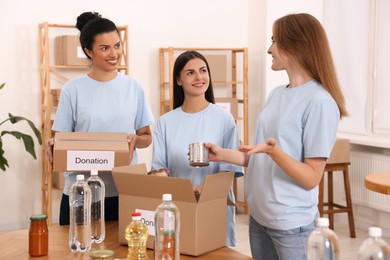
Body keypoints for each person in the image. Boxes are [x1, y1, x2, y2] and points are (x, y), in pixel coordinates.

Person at [205, 13, 348, 259]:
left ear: (294, 45)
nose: (270, 49)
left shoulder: (320, 102)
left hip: (291, 225)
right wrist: (224, 154)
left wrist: (274, 152)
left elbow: (311, 177)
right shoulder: (277, 94)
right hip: (260, 218)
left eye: (274, 41)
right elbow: (261, 158)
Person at [46, 12, 155, 225]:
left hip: (123, 188)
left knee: (123, 254)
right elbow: (62, 141)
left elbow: (146, 137)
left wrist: (134, 139)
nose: (114, 53)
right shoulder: (72, 89)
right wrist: (54, 145)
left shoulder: (133, 87)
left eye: (117, 45)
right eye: (104, 48)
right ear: (88, 51)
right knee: (76, 253)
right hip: (81, 190)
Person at [151, 50, 243, 247]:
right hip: (177, 206)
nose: (199, 77)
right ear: (178, 80)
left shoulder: (224, 119)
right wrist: (183, 192)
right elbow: (158, 170)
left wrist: (204, 189)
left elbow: (230, 169)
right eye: (190, 72)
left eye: (203, 71)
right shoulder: (165, 122)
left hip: (214, 204)